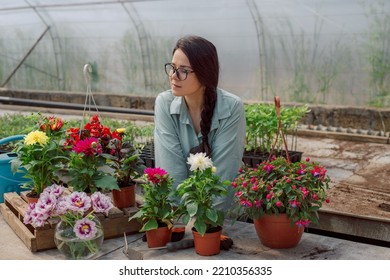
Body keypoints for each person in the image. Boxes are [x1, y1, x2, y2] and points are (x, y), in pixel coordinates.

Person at [154, 35, 246, 210]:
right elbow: (171, 169)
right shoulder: (165, 104)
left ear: (205, 73)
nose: (174, 76)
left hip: (219, 218)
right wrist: (181, 219)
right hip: (178, 215)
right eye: (172, 67)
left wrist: (205, 226)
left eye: (183, 70)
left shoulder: (231, 108)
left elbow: (223, 175)